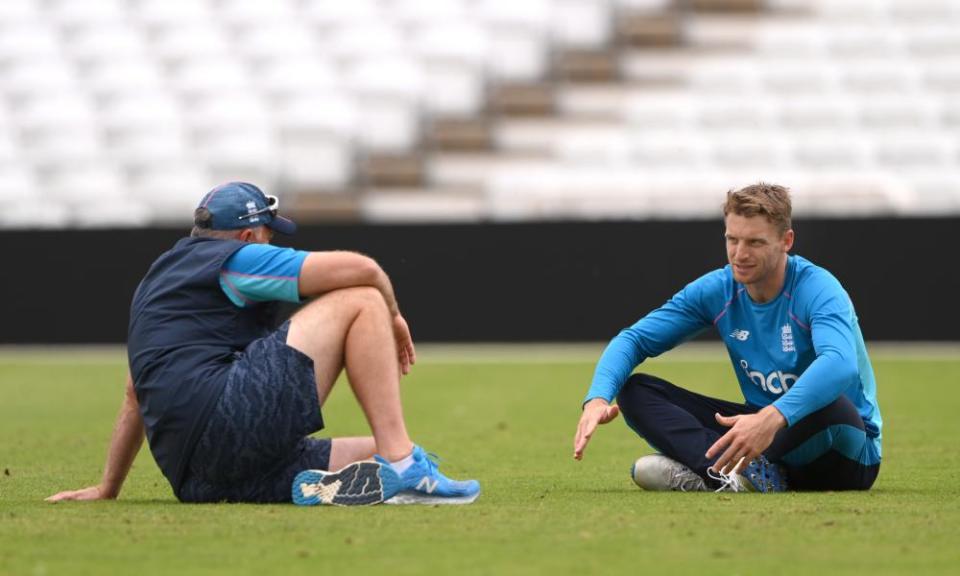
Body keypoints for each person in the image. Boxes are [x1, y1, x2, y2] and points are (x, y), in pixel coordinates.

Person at [47, 182, 480, 506]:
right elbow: (362, 269)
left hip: (199, 480)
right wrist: (394, 315)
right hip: (229, 421)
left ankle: (382, 470)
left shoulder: (158, 282)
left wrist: (109, 488)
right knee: (362, 300)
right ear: (248, 235)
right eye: (269, 233)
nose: (272, 241)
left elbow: (133, 394)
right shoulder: (238, 259)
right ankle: (403, 463)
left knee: (373, 452)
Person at [572, 183, 881, 492]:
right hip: (761, 433)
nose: (740, 254)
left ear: (786, 241)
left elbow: (841, 364)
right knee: (634, 392)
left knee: (831, 405)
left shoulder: (819, 288)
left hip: (844, 452)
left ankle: (714, 471)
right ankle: (734, 473)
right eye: (732, 240)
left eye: (755, 242)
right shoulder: (718, 289)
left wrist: (773, 416)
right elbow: (634, 340)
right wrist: (597, 397)